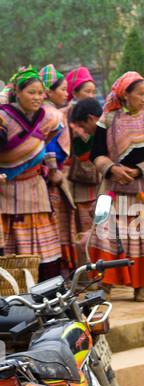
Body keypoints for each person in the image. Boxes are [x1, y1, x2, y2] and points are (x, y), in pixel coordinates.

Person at [88, 71, 144, 302]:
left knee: (140, 237)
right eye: (140, 94)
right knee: (108, 235)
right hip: (112, 188)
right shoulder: (107, 120)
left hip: (142, 192)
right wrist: (112, 169)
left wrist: (136, 171)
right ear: (125, 95)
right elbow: (96, 153)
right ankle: (105, 285)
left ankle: (141, 286)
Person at [0, 66, 62, 281]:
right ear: (17, 92)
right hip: (6, 187)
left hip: (35, 187)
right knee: (10, 242)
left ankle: (43, 288)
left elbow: (52, 136)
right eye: (31, 92)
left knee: (41, 241)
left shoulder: (48, 118)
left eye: (40, 93)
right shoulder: (3, 117)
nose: (37, 98)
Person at [39, 64, 78, 274]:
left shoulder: (48, 111)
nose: (66, 93)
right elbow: (49, 144)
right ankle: (60, 271)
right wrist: (54, 170)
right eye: (62, 89)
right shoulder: (51, 113)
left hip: (50, 176)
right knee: (58, 224)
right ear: (49, 92)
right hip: (52, 178)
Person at [64, 67, 101, 233]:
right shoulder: (63, 116)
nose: (92, 95)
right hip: (74, 177)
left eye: (94, 91)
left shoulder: (98, 116)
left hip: (97, 176)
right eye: (87, 91)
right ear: (75, 93)